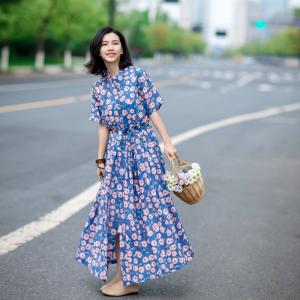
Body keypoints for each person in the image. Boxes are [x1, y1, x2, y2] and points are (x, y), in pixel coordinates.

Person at [75, 26, 195, 297]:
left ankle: (129, 278)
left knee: (141, 211)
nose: (110, 47)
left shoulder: (137, 76)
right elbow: (103, 126)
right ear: (97, 50)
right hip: (116, 153)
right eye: (104, 43)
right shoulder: (99, 88)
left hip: (143, 150)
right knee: (116, 213)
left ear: (122, 48)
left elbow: (152, 109)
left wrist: (167, 141)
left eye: (115, 42)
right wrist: (100, 160)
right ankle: (124, 276)